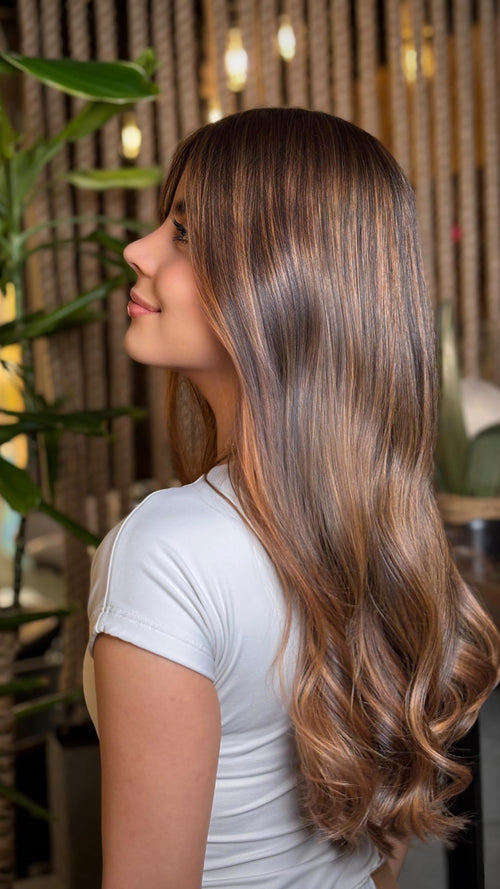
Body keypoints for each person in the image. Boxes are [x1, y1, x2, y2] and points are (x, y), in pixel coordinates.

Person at [83, 108, 499, 889]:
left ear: (282, 282)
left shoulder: (165, 550)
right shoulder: (388, 540)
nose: (137, 251)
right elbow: (377, 856)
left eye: (184, 234)